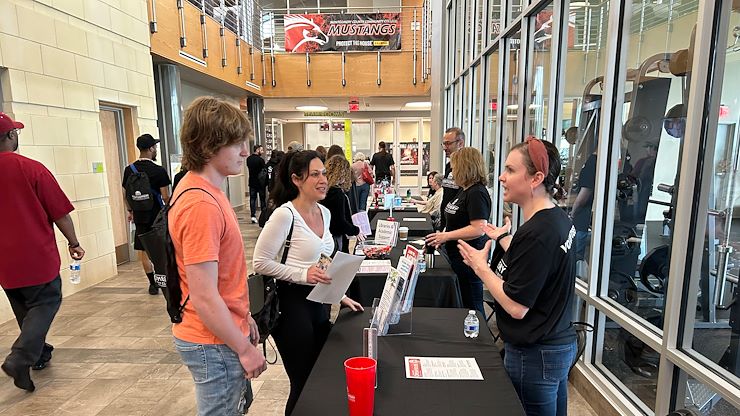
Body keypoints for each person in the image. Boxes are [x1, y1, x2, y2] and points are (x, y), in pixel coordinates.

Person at [457, 137, 577, 416]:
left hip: (536, 355)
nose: (501, 177)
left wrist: (480, 267)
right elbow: (538, 267)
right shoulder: (556, 220)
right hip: (557, 344)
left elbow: (516, 306)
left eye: (510, 170)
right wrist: (503, 239)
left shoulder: (537, 233)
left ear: (536, 178)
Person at [169, 97, 266, 415]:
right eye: (236, 143)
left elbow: (221, 277)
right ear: (209, 146)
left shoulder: (205, 190)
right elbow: (204, 295)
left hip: (219, 332)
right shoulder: (201, 204)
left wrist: (243, 316)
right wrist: (243, 349)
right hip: (212, 340)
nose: (245, 152)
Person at [253, 150, 364, 415]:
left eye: (323, 173)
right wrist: (303, 274)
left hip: (319, 303)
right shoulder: (284, 215)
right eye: (315, 174)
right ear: (296, 179)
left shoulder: (324, 213)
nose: (323, 179)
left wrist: (339, 293)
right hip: (291, 307)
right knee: (303, 383)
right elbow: (260, 262)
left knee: (320, 378)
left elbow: (323, 260)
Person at [0, 112, 85, 391]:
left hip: (4, 261)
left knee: (25, 308)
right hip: (36, 255)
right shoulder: (31, 168)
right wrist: (74, 242)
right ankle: (21, 357)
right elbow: (60, 212)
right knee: (46, 302)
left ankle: (39, 354)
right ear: (11, 136)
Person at [425, 148, 490, 314]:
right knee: (464, 302)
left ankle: (479, 339)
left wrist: (446, 236)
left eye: (455, 167)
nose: (452, 172)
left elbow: (478, 228)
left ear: (465, 167)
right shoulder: (464, 190)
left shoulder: (477, 193)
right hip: (456, 255)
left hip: (469, 257)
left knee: (473, 305)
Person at [122, 134, 172, 295]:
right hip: (157, 216)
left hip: (140, 216)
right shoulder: (159, 171)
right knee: (160, 250)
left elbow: (125, 194)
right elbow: (165, 196)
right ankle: (163, 279)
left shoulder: (129, 169)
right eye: (155, 147)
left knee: (144, 250)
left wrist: (130, 211)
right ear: (151, 148)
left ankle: (152, 284)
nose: (155, 149)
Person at [321, 155, 365, 252]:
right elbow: (340, 222)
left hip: (324, 236)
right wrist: (355, 230)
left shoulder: (324, 190)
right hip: (335, 238)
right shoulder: (336, 193)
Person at [570, 151, 597, 262]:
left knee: (575, 258)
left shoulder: (592, 164)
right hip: (584, 219)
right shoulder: (595, 163)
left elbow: (584, 195)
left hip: (581, 221)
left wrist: (573, 213)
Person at [440, 127, 465, 231]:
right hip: (446, 225)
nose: (445, 148)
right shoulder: (448, 166)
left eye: (448, 143)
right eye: (444, 144)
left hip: (458, 228)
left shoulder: (466, 169)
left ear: (460, 143)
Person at [247, 144, 267, 224]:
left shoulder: (248, 159)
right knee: (262, 200)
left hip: (252, 181)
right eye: (261, 150)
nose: (262, 151)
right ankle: (263, 216)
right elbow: (264, 171)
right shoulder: (261, 160)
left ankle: (253, 216)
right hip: (260, 183)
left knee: (252, 199)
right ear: (257, 150)